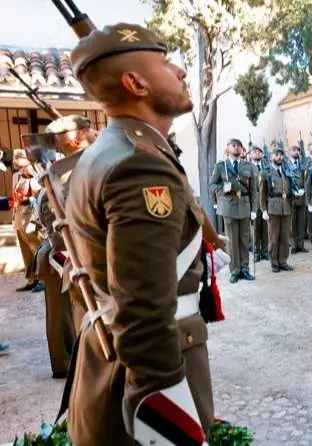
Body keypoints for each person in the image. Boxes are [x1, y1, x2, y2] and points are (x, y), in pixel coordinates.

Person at [65, 23, 215, 444]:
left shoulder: (109, 150)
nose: (181, 72)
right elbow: (144, 312)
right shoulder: (138, 166)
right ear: (136, 83)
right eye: (166, 63)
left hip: (110, 366)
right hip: (146, 384)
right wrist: (167, 419)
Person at [34, 115, 95, 379]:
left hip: (77, 259)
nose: (95, 133)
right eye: (88, 130)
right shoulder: (60, 176)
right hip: (72, 258)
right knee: (67, 321)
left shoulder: (80, 169)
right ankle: (66, 365)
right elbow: (57, 231)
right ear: (75, 139)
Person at [210, 138, 258, 282]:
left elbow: (253, 190)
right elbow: (212, 185)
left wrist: (254, 209)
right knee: (232, 241)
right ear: (228, 148)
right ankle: (235, 270)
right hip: (229, 205)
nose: (236, 148)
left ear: (242, 150)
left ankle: (245, 268)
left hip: (244, 204)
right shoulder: (221, 166)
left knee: (244, 239)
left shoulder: (248, 166)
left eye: (239, 146)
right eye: (233, 146)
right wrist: (222, 189)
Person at [12, 151, 44, 293]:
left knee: (36, 249)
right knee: (26, 251)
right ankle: (31, 279)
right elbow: (14, 198)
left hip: (31, 218)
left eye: (22, 165)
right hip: (19, 218)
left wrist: (29, 200)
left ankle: (42, 280)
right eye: (18, 166)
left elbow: (42, 196)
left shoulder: (37, 177)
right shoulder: (17, 177)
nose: (21, 168)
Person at [261, 147, 294, 273]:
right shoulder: (266, 173)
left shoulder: (286, 171)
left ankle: (283, 261)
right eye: (276, 155)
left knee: (285, 237)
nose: (279, 157)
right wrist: (264, 209)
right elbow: (262, 193)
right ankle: (274, 263)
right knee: (274, 238)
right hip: (273, 208)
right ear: (271, 157)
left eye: (281, 155)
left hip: (286, 208)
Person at [249, 145, 270, 262]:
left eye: (259, 152)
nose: (257, 154)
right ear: (251, 155)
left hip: (265, 202)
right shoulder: (248, 168)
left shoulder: (266, 167)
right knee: (256, 229)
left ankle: (265, 251)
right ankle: (256, 252)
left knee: (265, 228)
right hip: (254, 202)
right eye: (255, 152)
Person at [288, 145, 309, 254]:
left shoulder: (302, 165)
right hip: (292, 197)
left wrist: (304, 191)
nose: (296, 152)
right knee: (292, 223)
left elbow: (306, 179)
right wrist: (292, 191)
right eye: (294, 150)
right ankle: (294, 245)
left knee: (301, 222)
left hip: (301, 196)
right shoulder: (286, 164)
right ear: (290, 151)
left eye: (298, 151)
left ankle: (301, 245)